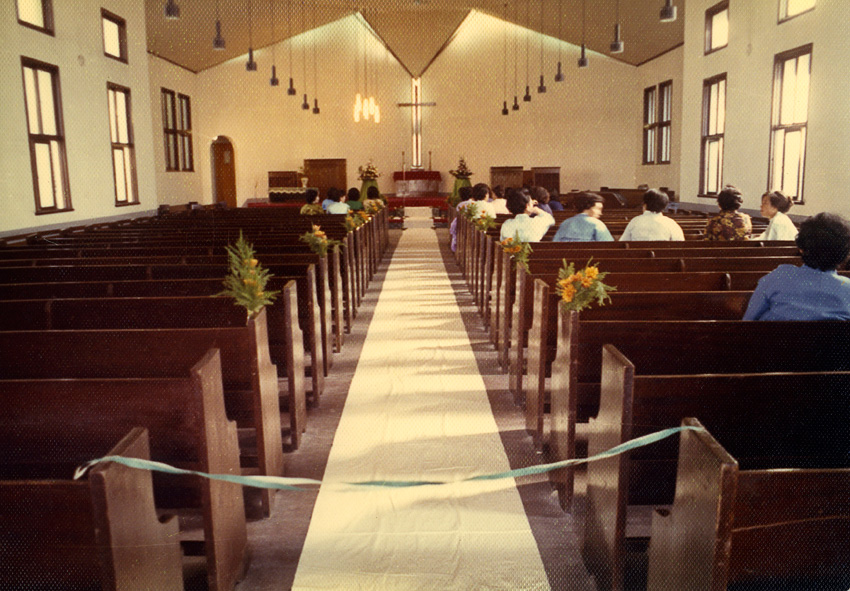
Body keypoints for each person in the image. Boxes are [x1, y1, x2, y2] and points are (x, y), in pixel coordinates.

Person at [743, 212, 850, 320]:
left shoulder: (778, 277)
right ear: (845, 253)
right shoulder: (847, 288)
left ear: (801, 248)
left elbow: (748, 321)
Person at [619, 189, 685, 241]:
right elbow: (680, 245)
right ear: (664, 207)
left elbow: (623, 243)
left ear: (645, 205)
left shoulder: (635, 222)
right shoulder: (671, 224)